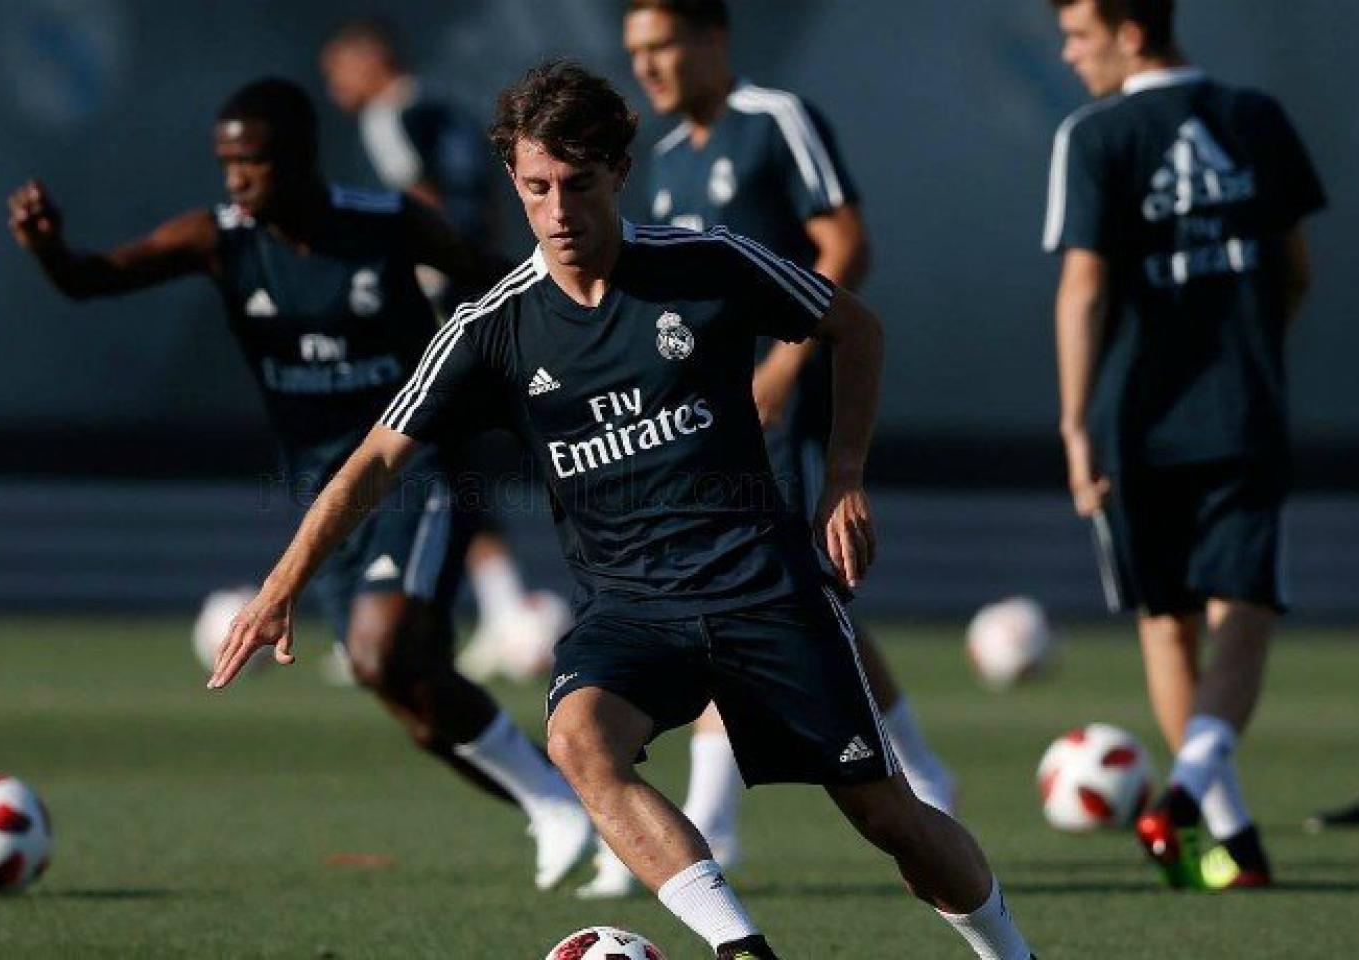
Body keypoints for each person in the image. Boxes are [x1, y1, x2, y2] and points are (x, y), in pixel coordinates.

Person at [212, 60, 1034, 960]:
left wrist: (843, 476)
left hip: (765, 591)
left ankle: (1009, 951)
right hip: (633, 610)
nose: (558, 211)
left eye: (577, 184)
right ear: (512, 184)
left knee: (889, 820)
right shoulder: (490, 327)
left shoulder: (708, 264)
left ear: (618, 175)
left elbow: (855, 328)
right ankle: (741, 950)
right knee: (577, 739)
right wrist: (282, 583)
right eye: (535, 189)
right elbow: (376, 454)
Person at [6, 77, 592, 890]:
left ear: (302, 159)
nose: (236, 181)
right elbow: (95, 278)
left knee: (384, 651)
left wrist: (582, 334)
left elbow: (493, 277)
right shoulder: (219, 239)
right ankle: (559, 803)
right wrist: (48, 249)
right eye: (226, 164)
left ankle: (562, 805)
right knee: (397, 682)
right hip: (323, 495)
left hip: (415, 465)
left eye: (252, 163)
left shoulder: (384, 223)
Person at [576, 0, 961, 899]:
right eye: (637, 51)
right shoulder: (664, 160)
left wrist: (784, 370)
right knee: (795, 592)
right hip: (713, 424)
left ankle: (715, 818)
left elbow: (845, 244)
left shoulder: (775, 120)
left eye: (666, 44)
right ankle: (928, 776)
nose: (652, 66)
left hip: (789, 410)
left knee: (752, 586)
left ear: (714, 39)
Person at [1043, 0, 1322, 891]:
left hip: (1137, 421)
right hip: (1244, 410)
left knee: (1167, 625)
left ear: (1130, 32)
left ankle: (1210, 821)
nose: (1069, 53)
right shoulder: (1256, 119)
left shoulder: (1095, 135)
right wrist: (1252, 352)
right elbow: (1295, 269)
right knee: (1242, 611)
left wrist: (1075, 422)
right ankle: (1212, 814)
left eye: (1081, 36)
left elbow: (1084, 288)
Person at [321, 18, 571, 682]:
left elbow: (419, 202)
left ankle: (396, 617)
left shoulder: (390, 115)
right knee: (459, 459)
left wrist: (409, 277)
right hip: (482, 288)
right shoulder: (447, 110)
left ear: (371, 61)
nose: (334, 86)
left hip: (438, 304)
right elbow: (481, 201)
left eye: (339, 69)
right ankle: (497, 609)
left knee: (406, 450)